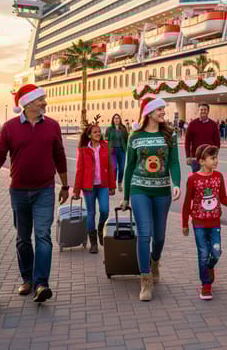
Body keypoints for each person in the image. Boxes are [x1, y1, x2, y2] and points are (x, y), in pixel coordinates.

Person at [0, 84, 68, 303]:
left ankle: (41, 283)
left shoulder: (52, 126)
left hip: (45, 189)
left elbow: (59, 156)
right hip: (19, 191)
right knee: (23, 239)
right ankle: (27, 278)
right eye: (40, 99)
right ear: (28, 103)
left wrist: (66, 186)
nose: (44, 102)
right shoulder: (10, 127)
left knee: (43, 235)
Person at [119, 93, 182, 302]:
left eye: (163, 109)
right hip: (139, 190)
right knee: (144, 233)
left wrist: (176, 184)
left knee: (160, 236)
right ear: (149, 113)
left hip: (162, 191)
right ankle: (145, 280)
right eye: (160, 109)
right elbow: (129, 168)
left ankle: (155, 262)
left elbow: (174, 162)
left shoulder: (169, 135)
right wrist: (126, 196)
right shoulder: (135, 136)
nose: (164, 112)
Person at [181, 144, 227, 300]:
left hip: (215, 223)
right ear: (202, 161)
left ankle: (209, 267)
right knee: (203, 253)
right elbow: (186, 203)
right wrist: (184, 223)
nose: (216, 161)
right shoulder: (193, 179)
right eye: (212, 158)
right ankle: (206, 286)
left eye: (216, 157)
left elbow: (223, 198)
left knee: (216, 252)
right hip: (198, 223)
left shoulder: (218, 177)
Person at [73, 121, 116, 254]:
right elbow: (79, 170)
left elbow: (110, 167)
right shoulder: (83, 149)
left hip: (103, 185)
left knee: (104, 210)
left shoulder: (105, 146)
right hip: (88, 187)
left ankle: (100, 227)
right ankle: (93, 244)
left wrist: (112, 185)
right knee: (91, 213)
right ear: (89, 135)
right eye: (95, 132)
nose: (98, 134)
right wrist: (76, 191)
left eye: (99, 132)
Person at [185, 103, 221, 174]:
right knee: (196, 179)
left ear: (208, 111)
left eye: (205, 110)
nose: (203, 111)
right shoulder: (192, 124)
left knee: (208, 177)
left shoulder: (213, 124)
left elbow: (217, 141)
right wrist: (188, 156)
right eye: (201, 110)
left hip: (209, 157)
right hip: (196, 158)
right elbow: (187, 141)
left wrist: (215, 155)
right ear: (198, 111)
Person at [105, 114, 129, 193]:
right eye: (115, 118)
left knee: (122, 169)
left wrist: (125, 148)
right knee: (114, 168)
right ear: (113, 120)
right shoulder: (109, 129)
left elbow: (126, 139)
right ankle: (113, 185)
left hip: (122, 151)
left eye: (118, 118)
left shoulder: (123, 128)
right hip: (112, 151)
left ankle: (119, 183)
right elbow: (106, 139)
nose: (116, 120)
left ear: (120, 119)